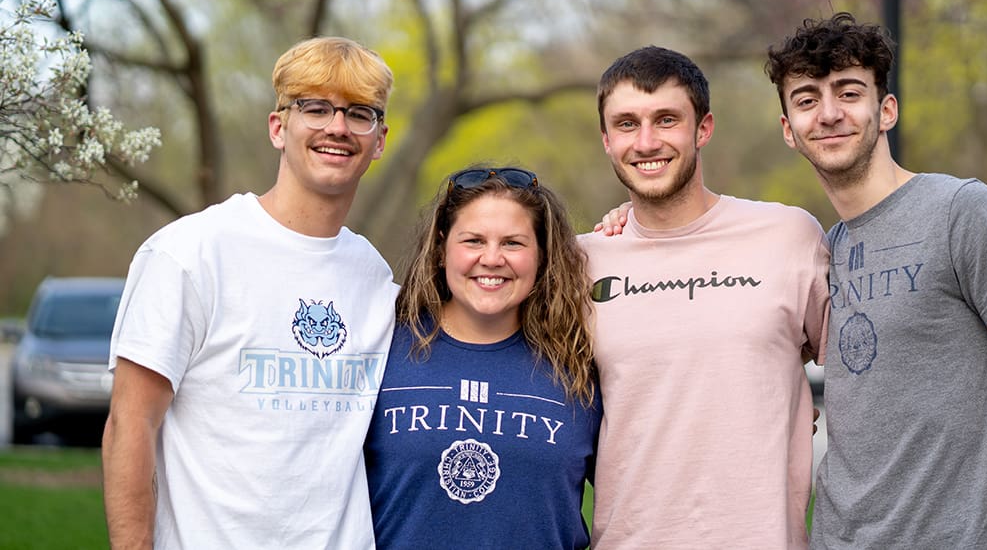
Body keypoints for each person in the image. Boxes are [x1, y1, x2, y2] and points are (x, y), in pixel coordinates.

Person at [764, 12, 987, 548]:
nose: (827, 113)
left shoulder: (963, 212)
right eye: (806, 99)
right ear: (788, 131)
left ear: (886, 109)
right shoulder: (823, 251)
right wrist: (630, 222)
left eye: (848, 92)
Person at [101, 36, 398, 549]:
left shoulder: (372, 274)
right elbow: (130, 425)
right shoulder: (190, 253)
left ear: (380, 140)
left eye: (359, 113)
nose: (337, 127)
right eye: (316, 107)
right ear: (279, 127)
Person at [577, 46, 830, 548]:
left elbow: (861, 384)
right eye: (626, 124)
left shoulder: (788, 236)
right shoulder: (580, 263)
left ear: (704, 128)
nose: (646, 142)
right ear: (606, 140)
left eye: (666, 119)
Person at [364, 166, 601, 549]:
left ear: (541, 256)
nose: (491, 259)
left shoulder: (578, 365)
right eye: (473, 240)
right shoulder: (381, 347)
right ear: (442, 249)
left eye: (513, 243)